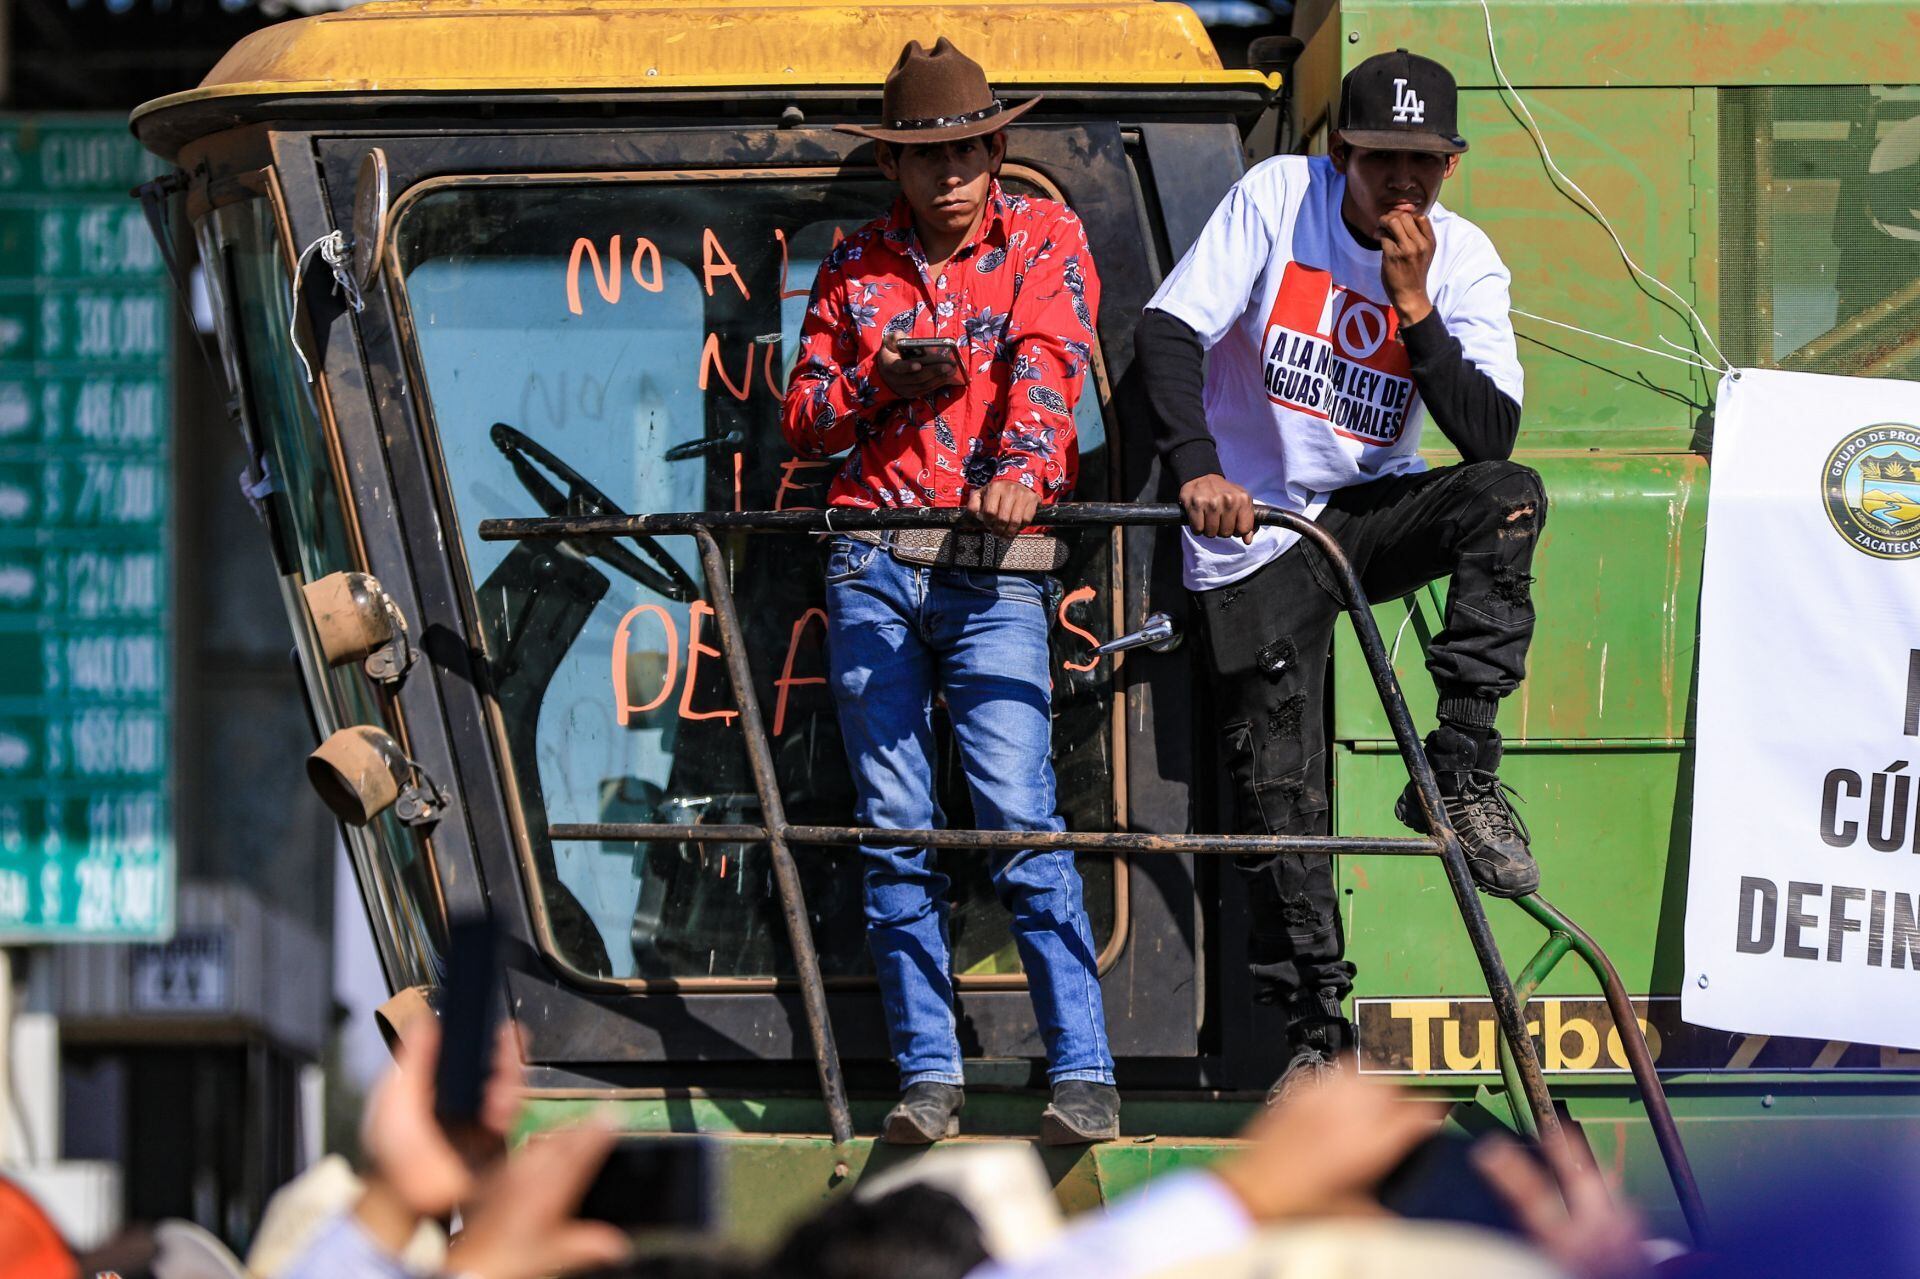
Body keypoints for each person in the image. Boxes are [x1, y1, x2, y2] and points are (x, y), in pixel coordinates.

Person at [1136, 48, 1542, 1094]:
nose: (1403, 183)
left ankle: (1458, 776)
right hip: (1256, 524)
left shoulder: (1465, 258)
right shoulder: (1281, 195)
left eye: (1424, 163)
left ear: (1450, 166)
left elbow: (1490, 437)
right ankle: (1317, 1035)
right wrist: (1199, 467)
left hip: (1365, 512)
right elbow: (1169, 329)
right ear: (1340, 155)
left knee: (1508, 496)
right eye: (1380, 161)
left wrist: (1415, 308)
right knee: (1282, 797)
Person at [781, 36, 1117, 1144]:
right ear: (892, 164)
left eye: (969, 150)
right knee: (894, 826)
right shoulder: (849, 264)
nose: (952, 173)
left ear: (999, 151)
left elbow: (1051, 365)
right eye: (928, 155)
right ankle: (928, 1078)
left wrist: (1021, 473)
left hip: (993, 566)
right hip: (871, 563)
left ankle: (1084, 1072)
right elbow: (803, 417)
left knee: (1018, 812)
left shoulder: (1046, 236)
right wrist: (876, 380)